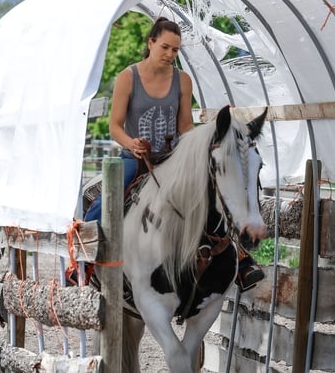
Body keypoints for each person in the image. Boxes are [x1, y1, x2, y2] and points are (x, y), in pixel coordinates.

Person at [84, 16, 263, 291]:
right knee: (104, 202)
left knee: (214, 195)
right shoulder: (128, 77)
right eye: (165, 47)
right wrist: (132, 144)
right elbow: (114, 126)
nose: (170, 54)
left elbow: (185, 126)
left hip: (172, 156)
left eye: (175, 50)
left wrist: (201, 145)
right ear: (151, 42)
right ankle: (87, 259)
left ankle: (240, 256)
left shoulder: (182, 80)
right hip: (137, 158)